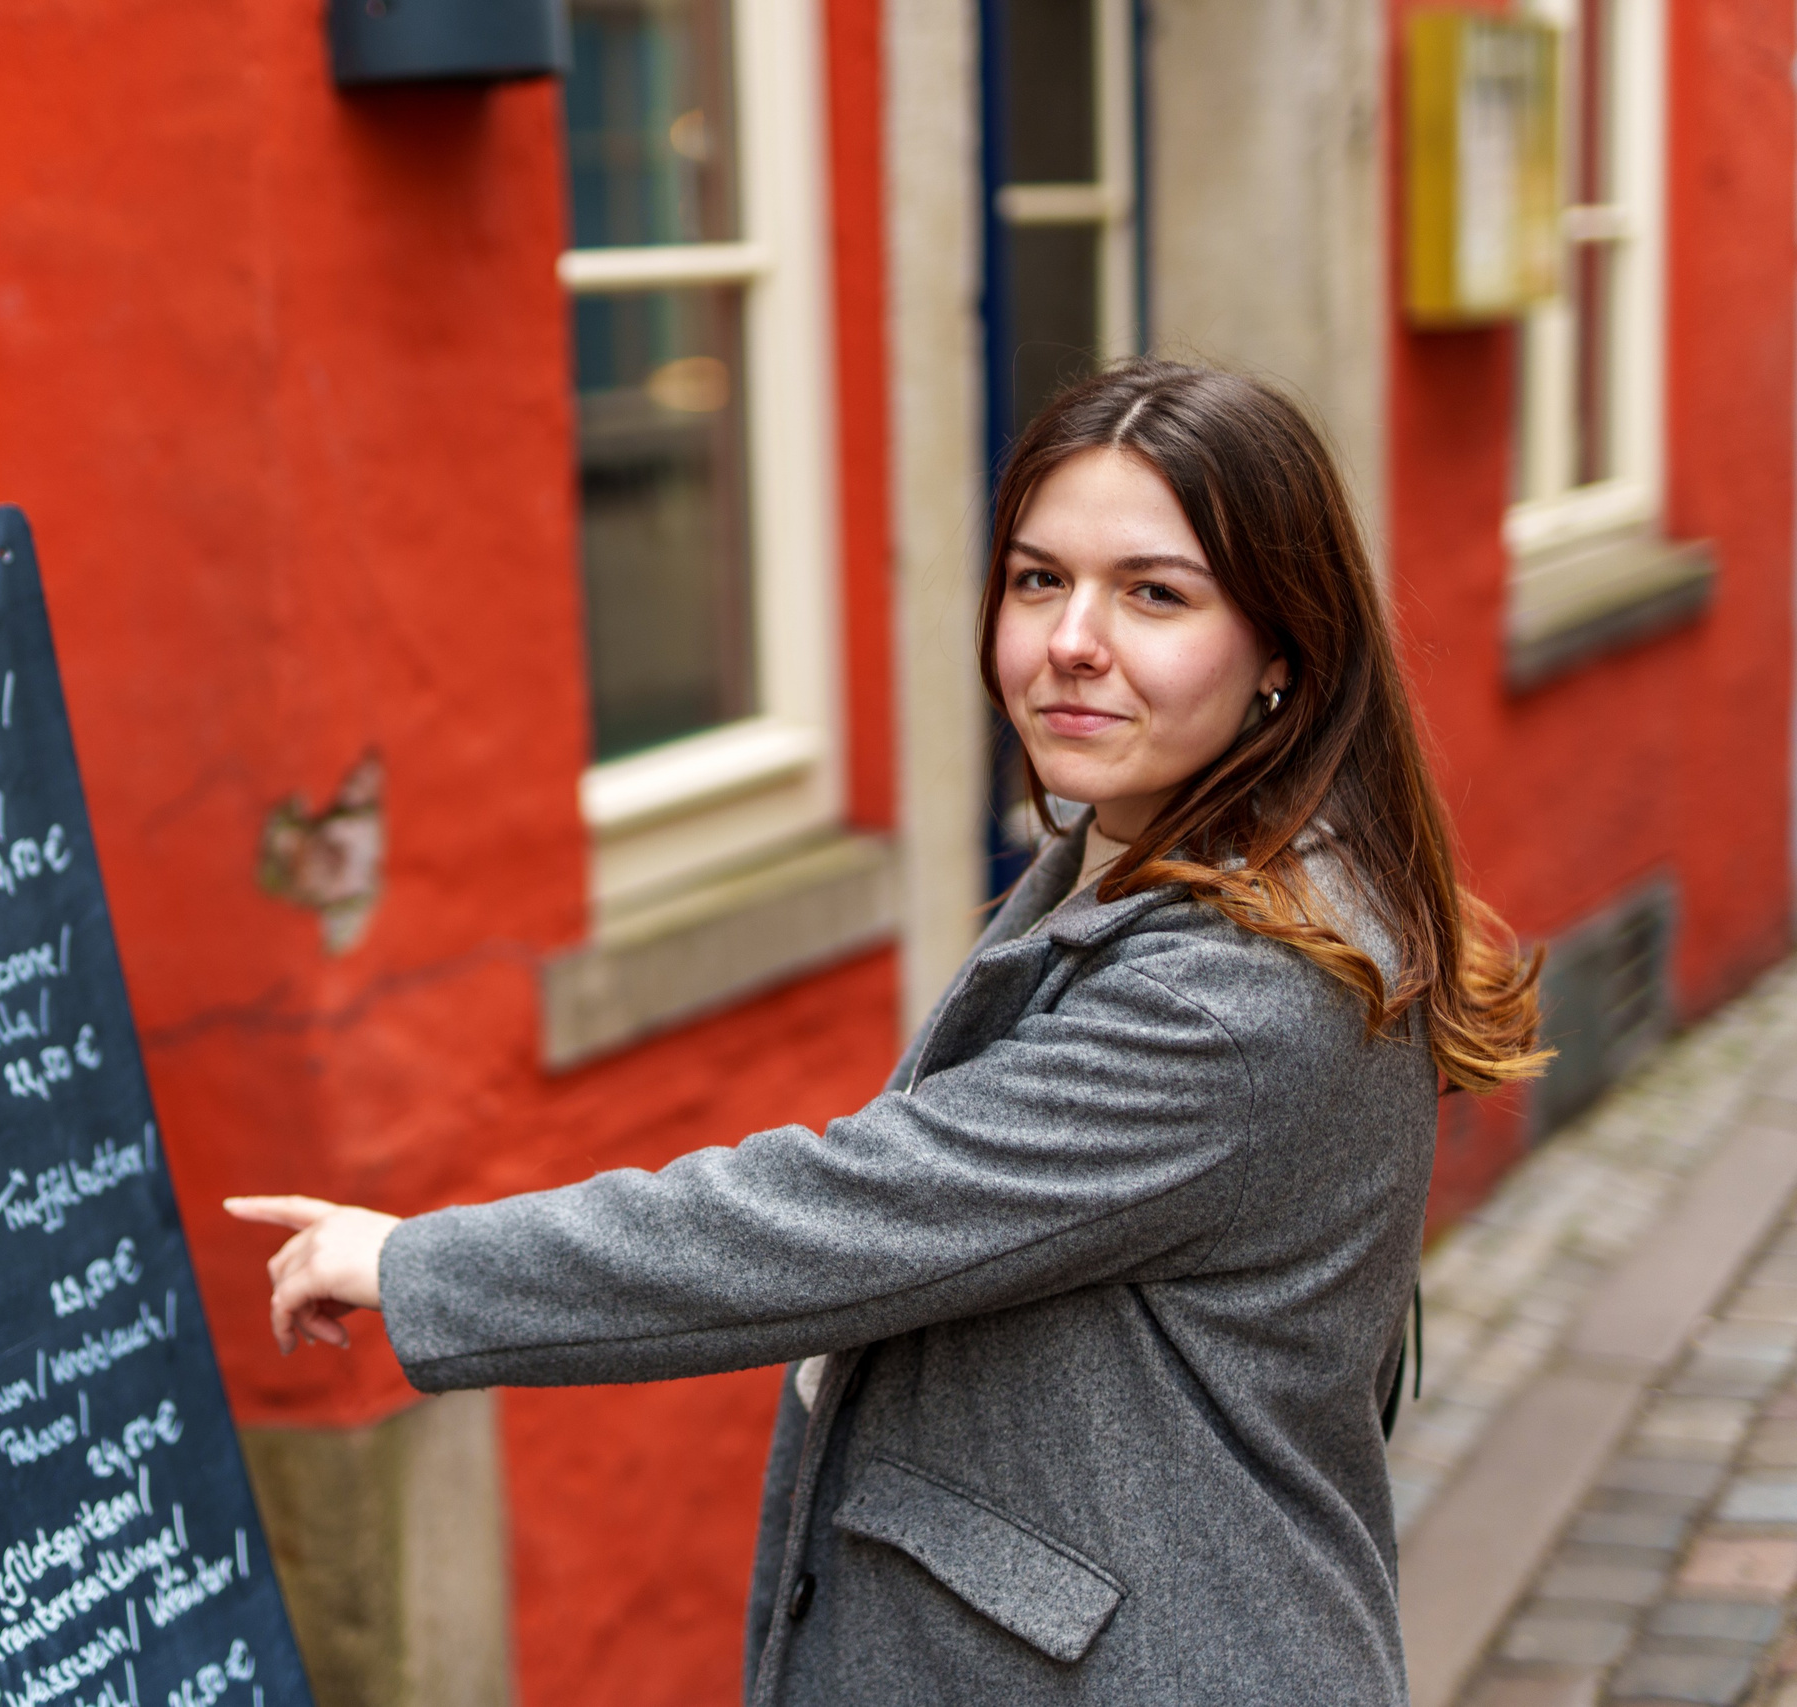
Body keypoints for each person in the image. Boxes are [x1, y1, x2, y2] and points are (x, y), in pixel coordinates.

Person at [227, 360, 1544, 1705]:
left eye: (1155, 593)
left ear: (1283, 651)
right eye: (1040, 581)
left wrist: (421, 1264)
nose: (1071, 641)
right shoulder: (1148, 852)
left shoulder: (1238, 989)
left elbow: (845, 1210)